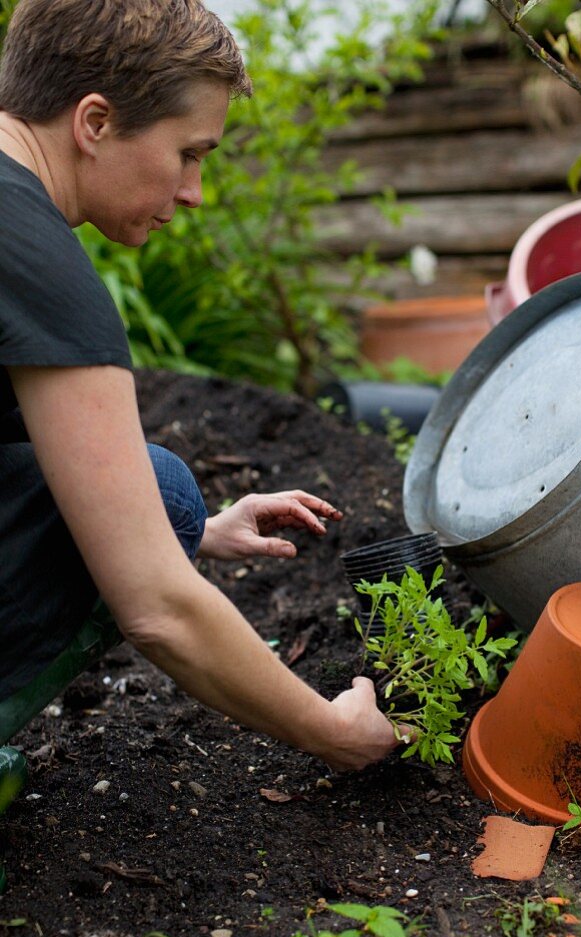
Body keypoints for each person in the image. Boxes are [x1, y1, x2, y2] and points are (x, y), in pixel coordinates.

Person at [0, 0, 400, 773]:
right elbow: (159, 613)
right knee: (166, 496)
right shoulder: (37, 264)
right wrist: (337, 731)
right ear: (94, 123)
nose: (196, 192)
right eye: (189, 153)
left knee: (171, 503)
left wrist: (192, 531)